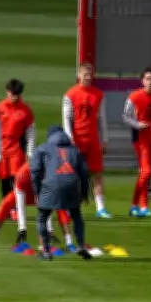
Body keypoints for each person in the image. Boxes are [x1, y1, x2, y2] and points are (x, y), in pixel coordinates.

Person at [0, 162, 75, 251]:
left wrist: (50, 230)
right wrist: (22, 229)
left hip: (42, 195)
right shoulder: (22, 174)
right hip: (24, 194)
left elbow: (46, 205)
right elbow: (20, 204)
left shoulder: (50, 174)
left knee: (61, 207)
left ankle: (69, 243)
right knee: (5, 203)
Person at [30, 125, 92, 260]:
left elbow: (34, 171)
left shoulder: (42, 149)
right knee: (76, 216)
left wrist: (37, 192)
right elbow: (84, 174)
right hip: (72, 185)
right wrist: (85, 194)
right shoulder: (75, 150)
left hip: (50, 185)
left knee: (42, 217)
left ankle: (46, 251)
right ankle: (81, 245)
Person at [63, 62, 110, 218]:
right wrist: (70, 139)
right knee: (73, 174)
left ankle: (101, 208)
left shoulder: (98, 94)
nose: (88, 77)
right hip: (76, 140)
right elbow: (66, 119)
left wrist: (105, 140)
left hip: (93, 140)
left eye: (90, 75)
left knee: (96, 173)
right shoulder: (70, 94)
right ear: (79, 75)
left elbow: (102, 118)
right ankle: (71, 207)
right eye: (85, 74)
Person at [123, 66, 151, 217]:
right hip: (140, 139)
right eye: (147, 79)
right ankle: (134, 204)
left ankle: (143, 207)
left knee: (146, 173)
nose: (150, 82)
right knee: (146, 172)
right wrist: (138, 125)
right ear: (142, 80)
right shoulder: (134, 97)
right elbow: (126, 116)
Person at [0, 79, 35, 199]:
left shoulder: (25, 110)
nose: (14, 97)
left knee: (16, 178)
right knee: (4, 178)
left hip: (17, 147)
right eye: (12, 94)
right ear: (7, 92)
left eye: (17, 94)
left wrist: (30, 151)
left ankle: (14, 207)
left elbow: (31, 132)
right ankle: (6, 206)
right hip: (1, 147)